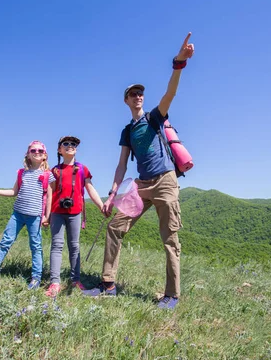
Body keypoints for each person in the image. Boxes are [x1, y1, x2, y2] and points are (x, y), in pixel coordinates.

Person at [83, 33, 195, 310]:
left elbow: (170, 93)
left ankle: (172, 295)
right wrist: (111, 194)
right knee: (115, 227)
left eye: (140, 93)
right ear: (126, 100)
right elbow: (122, 164)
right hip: (141, 186)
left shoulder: (155, 117)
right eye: (133, 94)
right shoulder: (127, 131)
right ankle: (108, 284)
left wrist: (178, 64)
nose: (138, 96)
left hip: (166, 181)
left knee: (170, 238)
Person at [0, 141, 54, 289]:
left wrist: (47, 216)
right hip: (17, 214)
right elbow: (14, 192)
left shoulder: (48, 175)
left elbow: (50, 197)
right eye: (33, 150)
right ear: (27, 154)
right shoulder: (22, 173)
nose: (36, 152)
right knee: (5, 242)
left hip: (35, 216)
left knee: (36, 246)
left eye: (40, 150)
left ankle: (36, 278)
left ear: (45, 156)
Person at [45, 136, 105, 297]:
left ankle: (75, 280)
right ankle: (55, 282)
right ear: (59, 149)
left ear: (76, 149)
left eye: (73, 144)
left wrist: (101, 205)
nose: (70, 146)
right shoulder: (55, 170)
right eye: (66, 144)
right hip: (57, 212)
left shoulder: (82, 169)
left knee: (74, 246)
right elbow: (49, 193)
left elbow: (90, 189)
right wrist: (47, 214)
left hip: (75, 212)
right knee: (56, 246)